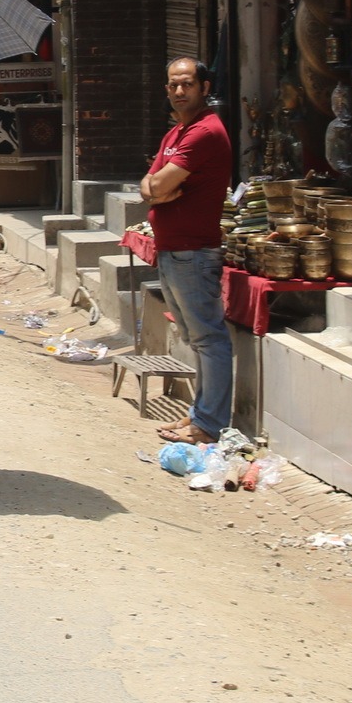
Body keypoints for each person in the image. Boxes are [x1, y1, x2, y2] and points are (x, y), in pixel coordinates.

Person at [140, 57, 234, 447]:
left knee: (209, 338)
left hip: (193, 252)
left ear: (205, 88)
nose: (180, 92)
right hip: (173, 249)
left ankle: (209, 423)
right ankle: (200, 414)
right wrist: (155, 186)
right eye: (173, 85)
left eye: (188, 84)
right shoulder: (176, 133)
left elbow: (158, 185)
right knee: (197, 338)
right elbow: (151, 185)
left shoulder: (205, 133)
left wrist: (156, 186)